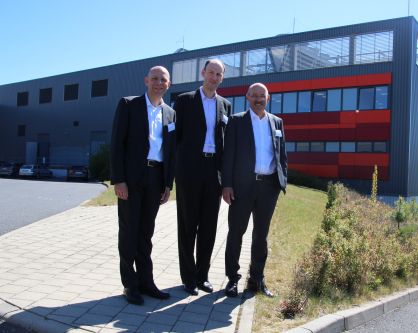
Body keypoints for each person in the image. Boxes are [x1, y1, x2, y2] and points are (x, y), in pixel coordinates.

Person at [110, 66, 175, 305]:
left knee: (146, 232)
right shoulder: (128, 105)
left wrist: (168, 183)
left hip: (156, 178)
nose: (159, 82)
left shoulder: (170, 113)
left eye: (163, 80)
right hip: (132, 178)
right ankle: (130, 285)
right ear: (146, 80)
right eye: (154, 78)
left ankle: (147, 282)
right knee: (129, 231)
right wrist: (119, 180)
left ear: (169, 84)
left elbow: (171, 151)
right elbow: (117, 144)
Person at [222, 83, 287, 298]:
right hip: (242, 186)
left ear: (268, 98)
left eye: (262, 95)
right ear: (247, 97)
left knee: (262, 235)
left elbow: (281, 154)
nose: (258, 99)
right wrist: (227, 185)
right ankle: (232, 279)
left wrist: (281, 182)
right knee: (236, 232)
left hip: (268, 187)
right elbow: (228, 155)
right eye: (254, 95)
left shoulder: (276, 122)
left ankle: (256, 279)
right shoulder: (237, 121)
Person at [174, 59, 231, 295]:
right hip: (190, 171)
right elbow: (175, 139)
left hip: (213, 172)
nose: (214, 77)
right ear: (203, 73)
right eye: (211, 72)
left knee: (208, 227)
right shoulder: (185, 100)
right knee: (188, 226)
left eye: (219, 74)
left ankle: (202, 276)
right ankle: (188, 278)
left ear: (222, 78)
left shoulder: (225, 105)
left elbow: (226, 143)